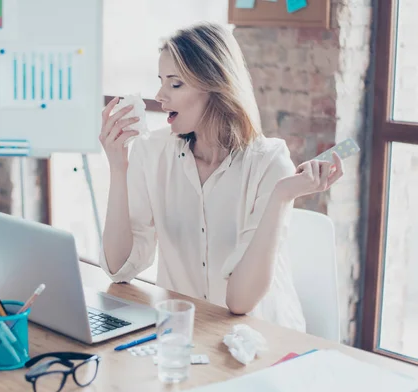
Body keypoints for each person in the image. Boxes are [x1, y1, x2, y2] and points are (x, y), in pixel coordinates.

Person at [97, 23, 344, 332]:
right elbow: (119, 268)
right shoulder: (152, 152)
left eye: (175, 84)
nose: (160, 96)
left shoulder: (269, 162)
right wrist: (118, 168)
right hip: (184, 333)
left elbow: (240, 303)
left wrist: (281, 198)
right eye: (161, 82)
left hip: (262, 340)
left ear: (216, 86)